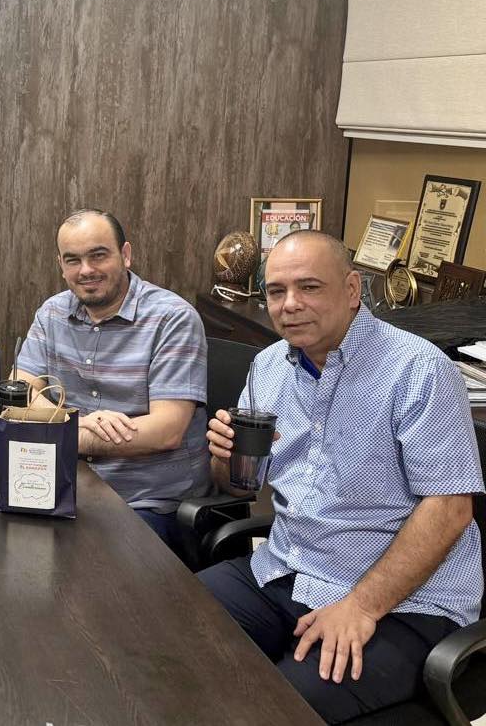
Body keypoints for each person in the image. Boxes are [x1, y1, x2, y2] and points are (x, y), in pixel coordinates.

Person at [200, 230, 483, 723]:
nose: (290, 305)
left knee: (271, 706)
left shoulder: (418, 370)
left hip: (403, 601)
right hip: (289, 568)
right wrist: (224, 458)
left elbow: (451, 510)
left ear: (352, 290)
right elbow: (239, 486)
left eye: (309, 287)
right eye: (276, 291)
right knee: (170, 634)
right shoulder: (267, 366)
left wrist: (361, 607)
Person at [13, 209, 210, 554]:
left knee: (83, 573)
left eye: (98, 255)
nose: (86, 270)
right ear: (60, 265)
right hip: (64, 485)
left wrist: (66, 432)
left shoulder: (173, 318)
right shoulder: (52, 313)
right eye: (73, 260)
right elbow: (18, 393)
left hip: (147, 504)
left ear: (126, 255)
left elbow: (166, 431)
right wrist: (80, 421)